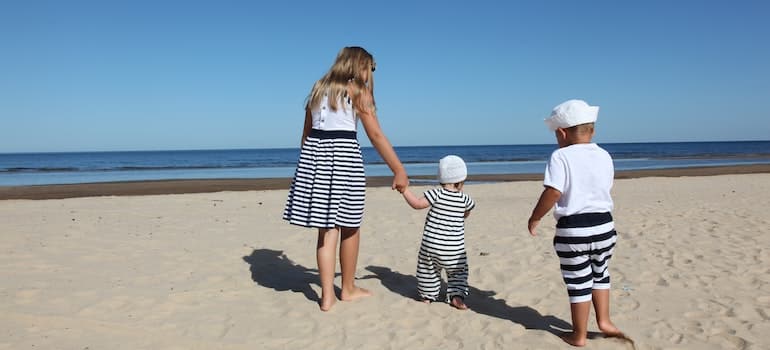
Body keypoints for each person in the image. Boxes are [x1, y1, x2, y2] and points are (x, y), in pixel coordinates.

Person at [283, 46, 409, 311]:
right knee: (350, 224)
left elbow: (306, 134)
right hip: (344, 157)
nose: (370, 74)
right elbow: (375, 135)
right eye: (370, 68)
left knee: (327, 229)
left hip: (314, 158)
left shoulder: (318, 87)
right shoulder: (357, 90)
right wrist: (398, 168)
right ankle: (348, 288)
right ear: (358, 66)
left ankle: (326, 296)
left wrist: (311, 166)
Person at [527, 99, 630, 346]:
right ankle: (604, 321)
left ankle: (579, 334)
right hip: (605, 227)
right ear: (591, 130)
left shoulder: (560, 156)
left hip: (574, 230)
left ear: (561, 133)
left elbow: (553, 191)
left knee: (578, 282)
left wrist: (535, 217)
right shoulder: (604, 155)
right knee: (600, 273)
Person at [401, 155, 475, 310]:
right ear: (461, 181)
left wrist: (405, 190)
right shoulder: (465, 199)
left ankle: (427, 296)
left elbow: (417, 204)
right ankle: (456, 297)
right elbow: (466, 213)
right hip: (454, 249)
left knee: (428, 270)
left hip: (431, 245)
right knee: (458, 273)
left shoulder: (436, 194)